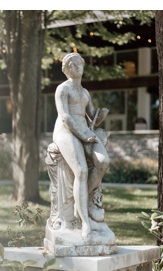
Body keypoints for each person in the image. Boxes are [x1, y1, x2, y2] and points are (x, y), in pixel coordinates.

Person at [51, 53, 110, 240]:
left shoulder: (85, 92)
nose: (78, 67)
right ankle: (84, 221)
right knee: (82, 170)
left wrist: (100, 116)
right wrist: (84, 136)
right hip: (66, 131)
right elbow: (65, 117)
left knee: (103, 162)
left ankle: (82, 199)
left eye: (80, 64)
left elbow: (92, 116)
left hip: (85, 131)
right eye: (73, 64)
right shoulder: (62, 89)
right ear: (66, 69)